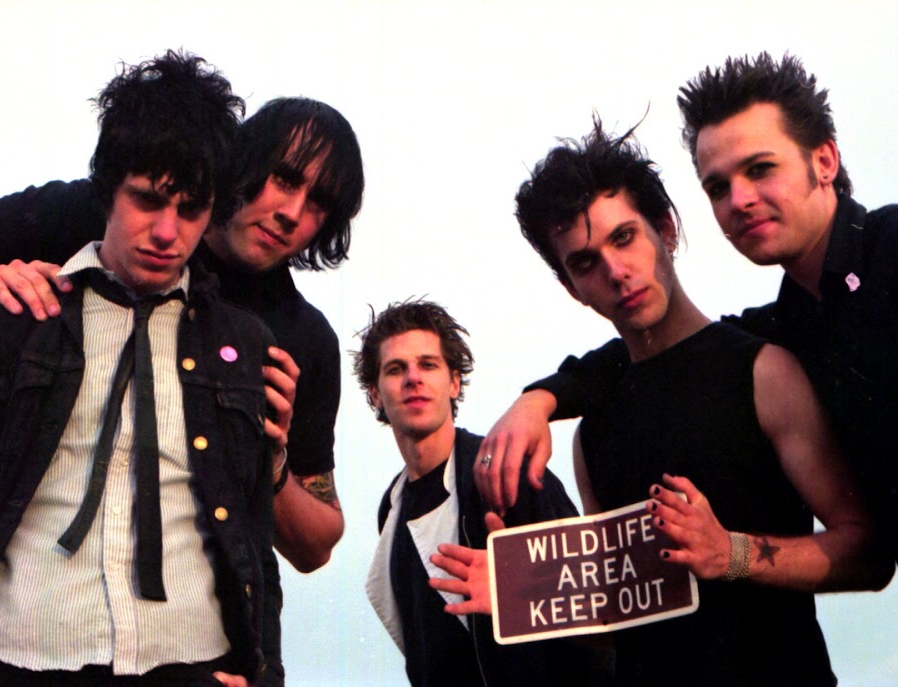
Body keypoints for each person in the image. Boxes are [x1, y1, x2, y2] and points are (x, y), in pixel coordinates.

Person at [431, 121, 892, 686]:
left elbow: (868, 553)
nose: (615, 271)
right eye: (585, 263)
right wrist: (530, 596)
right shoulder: (593, 427)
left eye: (625, 237)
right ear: (572, 287)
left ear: (667, 230)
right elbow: (625, 613)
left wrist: (731, 554)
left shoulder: (765, 371)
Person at [0, 51, 281, 686]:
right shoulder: (21, 316)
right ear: (107, 190)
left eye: (191, 209)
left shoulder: (240, 343)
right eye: (148, 200)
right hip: (13, 660)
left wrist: (267, 676)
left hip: (187, 664)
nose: (167, 231)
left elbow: (252, 537)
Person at [0, 94, 364, 575]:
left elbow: (316, 547)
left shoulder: (301, 338)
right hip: (37, 585)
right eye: (284, 180)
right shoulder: (114, 219)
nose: (292, 212)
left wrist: (272, 461)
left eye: (318, 203)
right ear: (242, 161)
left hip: (194, 610)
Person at [476, 53, 898, 569]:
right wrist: (539, 399)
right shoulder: (786, 325)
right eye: (717, 187)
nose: (739, 200)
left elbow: (864, 550)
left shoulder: (889, 251)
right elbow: (679, 351)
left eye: (761, 169)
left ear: (825, 161)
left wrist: (731, 554)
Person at [354, 300, 607, 687]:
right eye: (395, 369)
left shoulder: (507, 473)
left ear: (454, 383)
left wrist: (518, 589)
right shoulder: (391, 507)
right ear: (375, 393)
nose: (413, 378)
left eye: (428, 365)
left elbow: (594, 601)